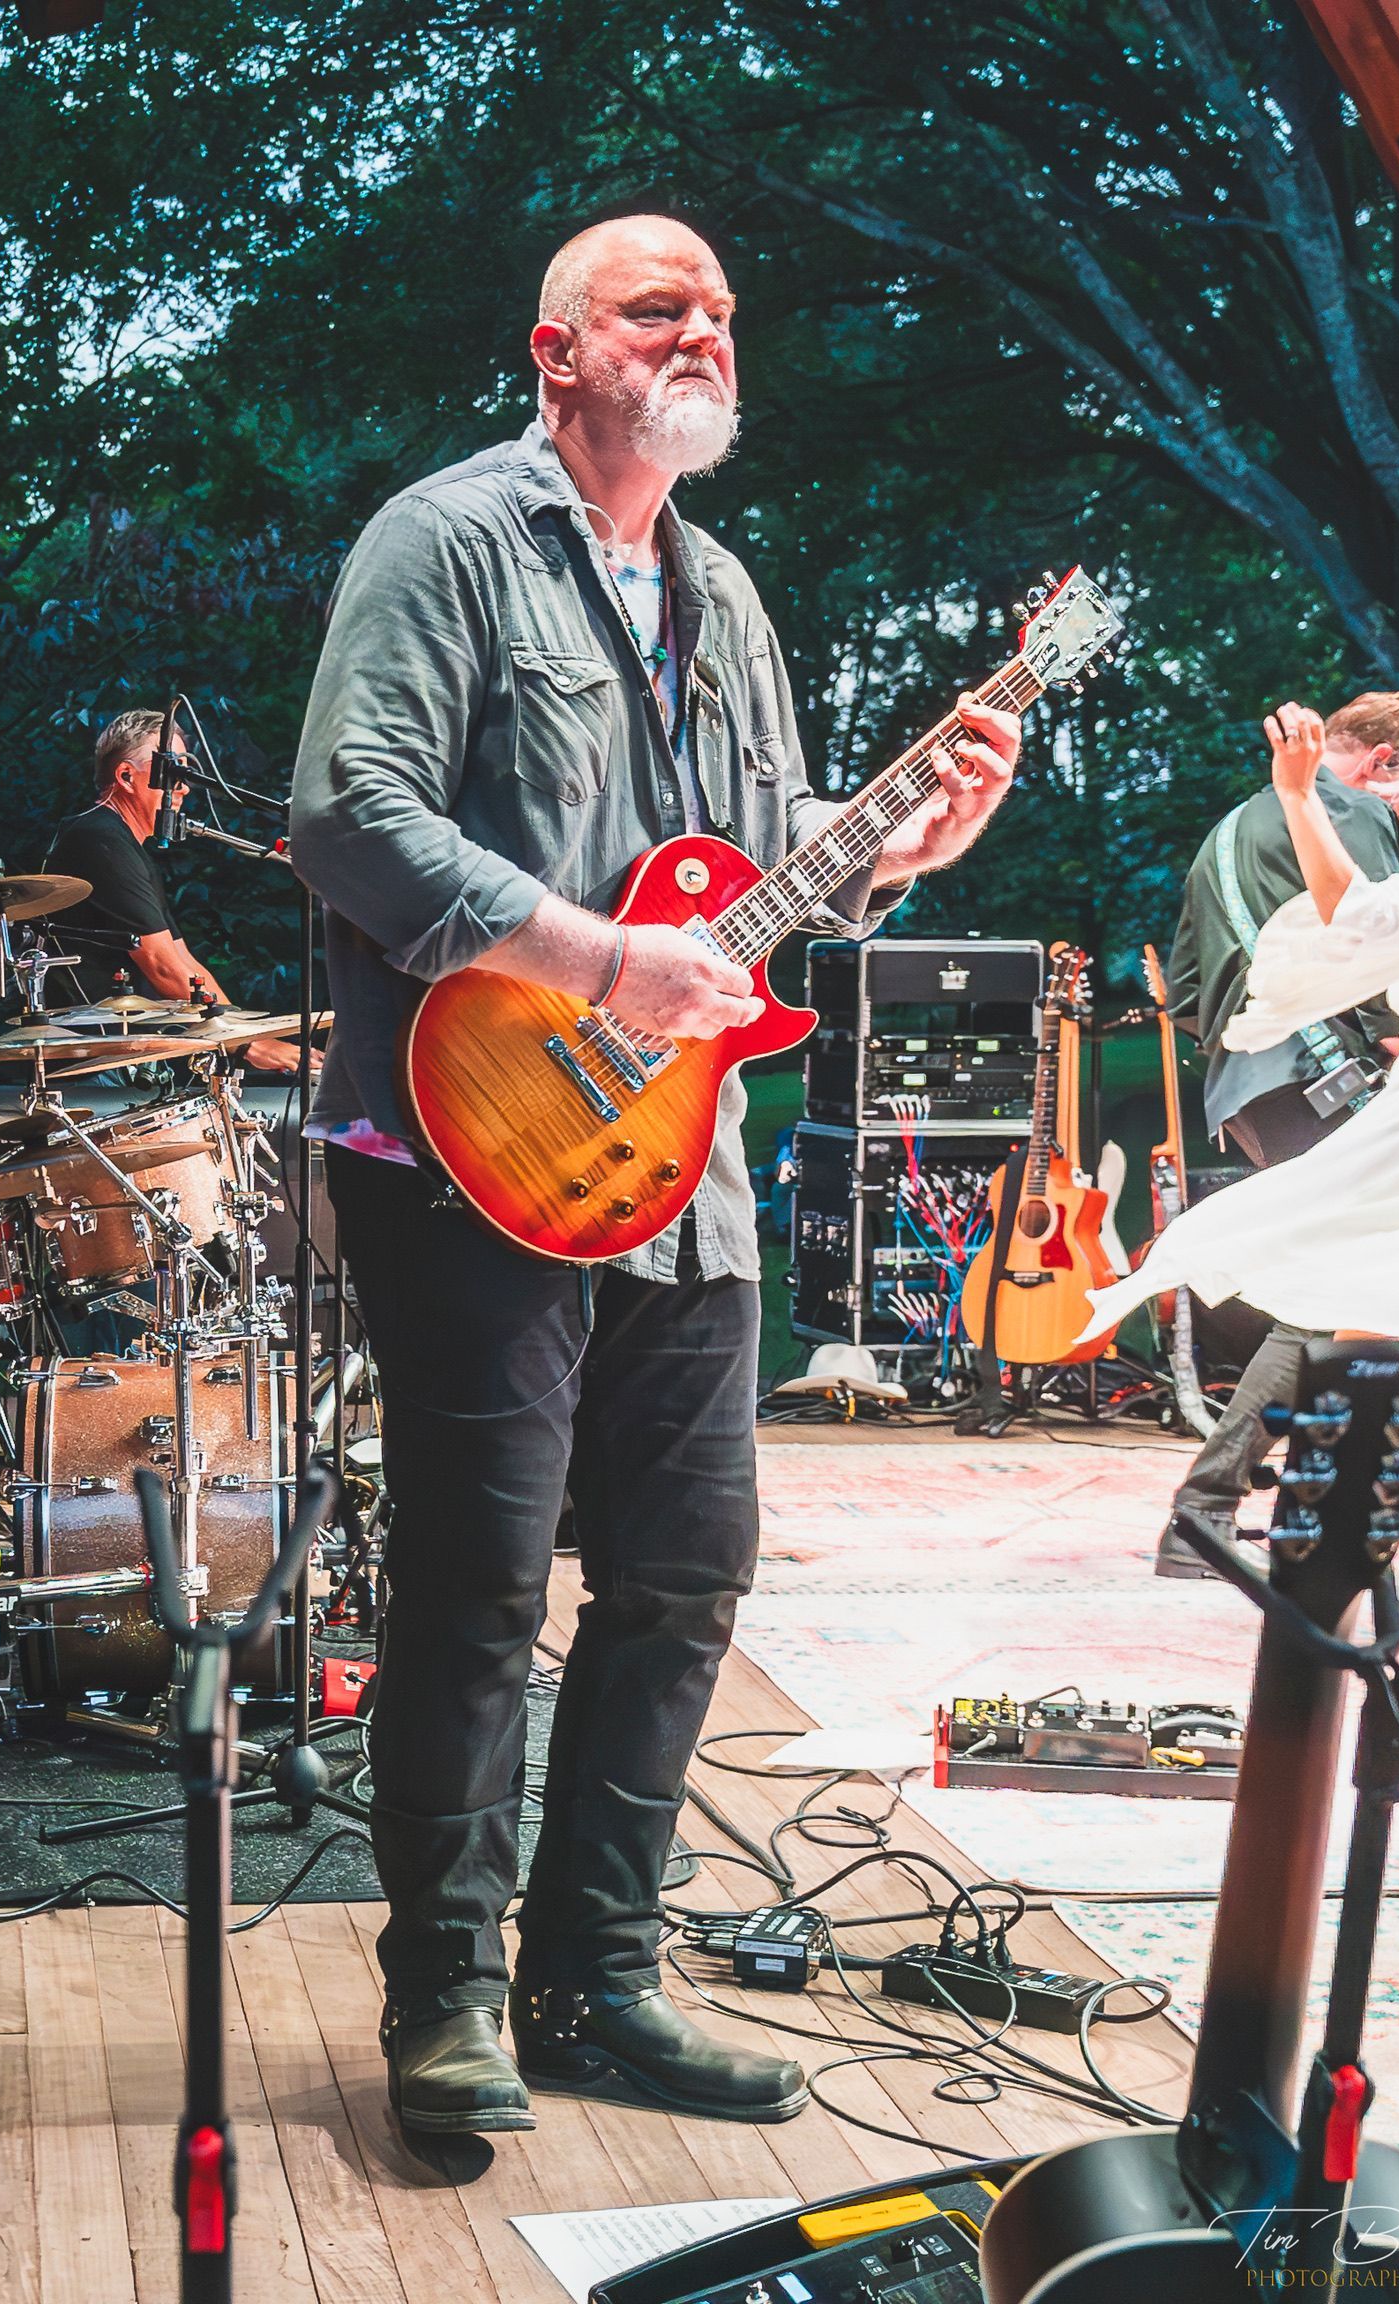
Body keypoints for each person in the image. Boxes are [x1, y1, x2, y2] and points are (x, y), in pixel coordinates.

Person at [289, 213, 1021, 2135]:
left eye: (718, 308)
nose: (701, 328)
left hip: (677, 1168)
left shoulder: (732, 592)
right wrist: (598, 962)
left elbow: (760, 874)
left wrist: (899, 849)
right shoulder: (445, 541)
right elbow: (348, 816)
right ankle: (440, 1990)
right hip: (473, 1148)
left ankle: (597, 1977)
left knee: (686, 1581)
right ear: (557, 352)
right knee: (473, 1587)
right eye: (653, 307)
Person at [1081, 687, 1399, 1980]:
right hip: (1396, 1131)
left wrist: (1307, 799)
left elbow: (1338, 919)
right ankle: (1264, 1522)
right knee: (1354, 1310)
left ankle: (1297, 1546)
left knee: (1378, 1315)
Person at [1154, 690, 1399, 1577]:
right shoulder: (1346, 812)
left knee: (1348, 1287)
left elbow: (1188, 991)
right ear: (1385, 762)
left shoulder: (1222, 834)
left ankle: (1320, 1504)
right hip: (1327, 1079)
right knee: (1336, 1289)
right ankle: (1210, 1509)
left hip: (1251, 1090)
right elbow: (1375, 941)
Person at [45, 709, 301, 1072]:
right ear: (126, 776)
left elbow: (184, 963)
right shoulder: (98, 839)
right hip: (92, 1055)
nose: (182, 787)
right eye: (172, 771)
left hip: (120, 1044)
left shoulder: (123, 845)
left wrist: (245, 1034)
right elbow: (161, 966)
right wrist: (246, 1046)